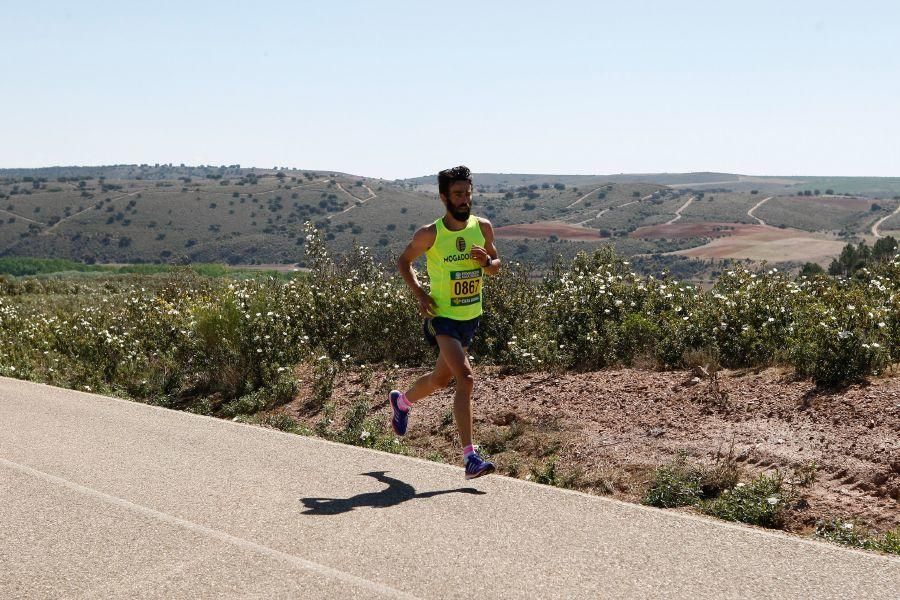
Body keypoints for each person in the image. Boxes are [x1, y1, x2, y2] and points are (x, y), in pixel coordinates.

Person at [390, 165, 501, 480]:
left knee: (441, 380)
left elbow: (495, 266)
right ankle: (470, 458)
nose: (465, 199)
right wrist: (420, 294)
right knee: (465, 378)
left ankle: (402, 402)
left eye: (468, 193)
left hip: (470, 317)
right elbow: (403, 261)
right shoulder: (430, 234)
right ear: (443, 197)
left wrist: (487, 263)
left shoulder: (483, 227)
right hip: (442, 318)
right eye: (457, 194)